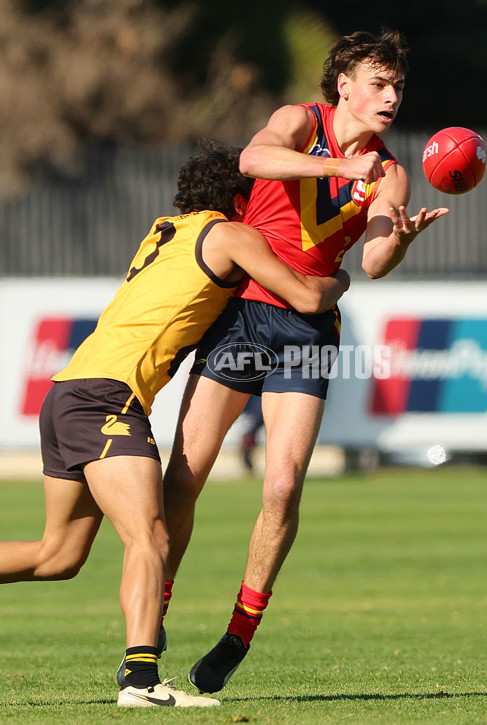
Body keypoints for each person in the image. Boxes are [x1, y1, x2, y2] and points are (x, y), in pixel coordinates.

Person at [0, 140, 349, 709]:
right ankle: (141, 682)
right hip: (107, 401)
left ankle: (142, 672)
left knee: (56, 556)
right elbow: (307, 295)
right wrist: (341, 281)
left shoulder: (165, 229)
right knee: (151, 536)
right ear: (241, 200)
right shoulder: (232, 234)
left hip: (66, 395)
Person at [161, 28, 449, 694]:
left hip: (310, 326)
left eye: (398, 85)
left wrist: (400, 242)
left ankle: (238, 634)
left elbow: (372, 261)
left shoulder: (392, 171)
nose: (391, 96)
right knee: (185, 476)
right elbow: (256, 160)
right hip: (243, 313)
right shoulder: (299, 122)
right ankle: (157, 605)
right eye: (379, 82)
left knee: (284, 485)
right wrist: (336, 170)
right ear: (344, 86)